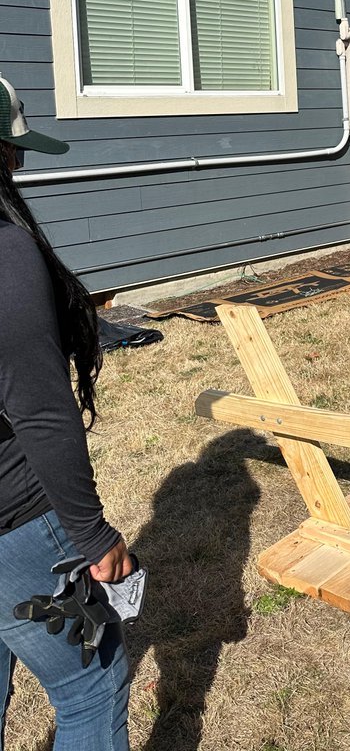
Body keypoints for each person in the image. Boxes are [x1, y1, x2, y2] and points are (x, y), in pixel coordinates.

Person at [0, 75, 133, 749]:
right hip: (15, 519)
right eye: (12, 149)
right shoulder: (4, 250)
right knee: (90, 685)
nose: (20, 163)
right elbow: (42, 413)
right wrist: (92, 534)